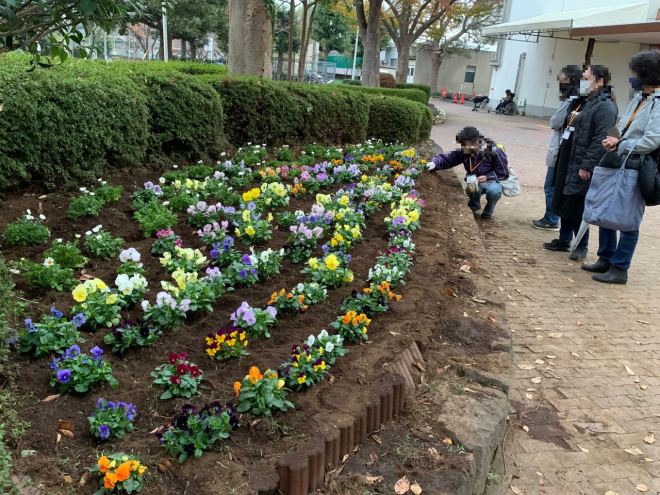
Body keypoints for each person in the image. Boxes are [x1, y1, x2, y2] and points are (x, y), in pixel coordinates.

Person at [582, 50, 660, 284]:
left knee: (627, 217)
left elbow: (652, 140)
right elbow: (621, 124)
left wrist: (621, 143)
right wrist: (610, 137)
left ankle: (620, 267)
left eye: (635, 72)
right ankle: (605, 257)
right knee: (607, 209)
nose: (632, 76)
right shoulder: (638, 98)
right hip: (618, 160)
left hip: (637, 166)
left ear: (647, 74)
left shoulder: (657, 103)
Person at [543, 65, 618, 260]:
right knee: (565, 199)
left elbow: (601, 139)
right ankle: (564, 239)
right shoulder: (581, 102)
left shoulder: (605, 106)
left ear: (600, 81)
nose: (582, 82)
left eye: (586, 78)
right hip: (567, 158)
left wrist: (587, 165)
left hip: (582, 163)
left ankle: (580, 246)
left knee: (577, 205)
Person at [533, 66, 583, 231]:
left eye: (563, 79)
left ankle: (551, 218)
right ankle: (556, 221)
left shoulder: (571, 100)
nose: (561, 82)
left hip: (560, 150)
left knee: (551, 186)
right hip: (565, 149)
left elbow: (555, 122)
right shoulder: (579, 100)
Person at [427, 126, 510, 219]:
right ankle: (474, 206)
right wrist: (435, 163)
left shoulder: (495, 152)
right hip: (475, 181)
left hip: (493, 182)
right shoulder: (466, 150)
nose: (466, 148)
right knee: (471, 188)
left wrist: (487, 177)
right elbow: (449, 158)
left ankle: (488, 212)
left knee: (494, 192)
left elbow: (503, 173)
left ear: (478, 142)